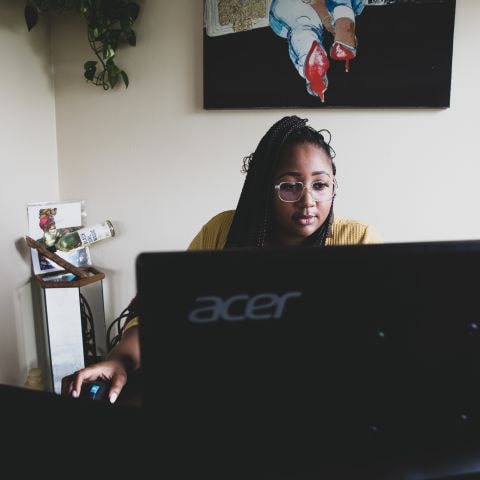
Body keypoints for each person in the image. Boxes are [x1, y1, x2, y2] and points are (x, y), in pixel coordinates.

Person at [61, 115, 381, 403]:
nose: (308, 201)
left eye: (320, 185)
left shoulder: (359, 240)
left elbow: (381, 337)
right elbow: (163, 312)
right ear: (263, 189)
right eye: (289, 186)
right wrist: (121, 360)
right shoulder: (223, 232)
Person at [269, 0, 365, 101]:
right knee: (353, 7)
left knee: (306, 25)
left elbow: (319, 5)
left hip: (287, 17)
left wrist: (329, 22)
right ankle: (311, 62)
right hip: (290, 16)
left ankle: (309, 59)